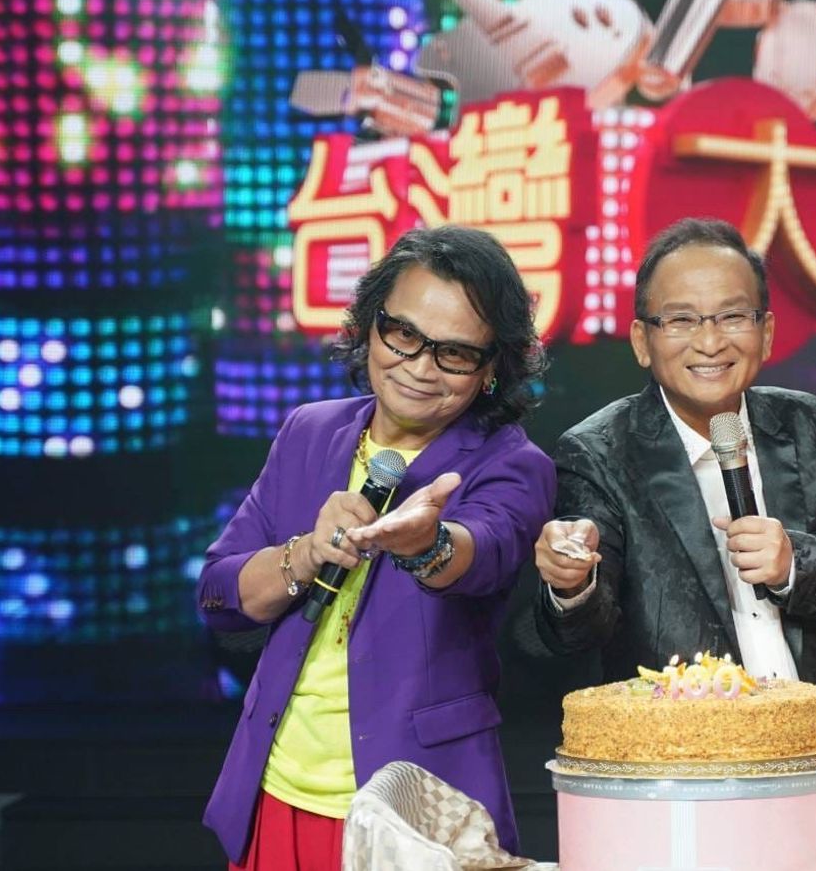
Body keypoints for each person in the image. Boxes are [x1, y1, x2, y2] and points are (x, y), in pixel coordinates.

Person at [532, 217, 816, 859]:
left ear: (766, 331)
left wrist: (796, 563)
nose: (709, 341)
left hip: (809, 773)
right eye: (681, 320)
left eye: (732, 316)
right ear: (642, 341)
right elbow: (579, 633)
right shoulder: (600, 451)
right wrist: (573, 584)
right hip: (676, 789)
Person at [197, 226, 556, 870]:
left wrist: (427, 545)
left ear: (492, 368)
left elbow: (484, 551)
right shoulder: (309, 432)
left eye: (455, 353)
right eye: (404, 334)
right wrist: (305, 553)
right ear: (369, 326)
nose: (419, 366)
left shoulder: (511, 463)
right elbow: (220, 594)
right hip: (274, 789)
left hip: (413, 813)